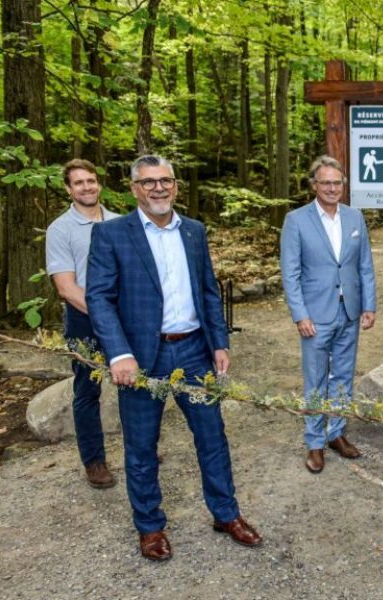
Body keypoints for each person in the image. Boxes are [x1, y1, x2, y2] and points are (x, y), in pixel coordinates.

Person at [86, 155, 261, 561]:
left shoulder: (194, 232)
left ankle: (225, 513)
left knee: (212, 437)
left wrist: (219, 343)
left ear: (176, 186)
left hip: (195, 351)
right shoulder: (112, 234)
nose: (159, 188)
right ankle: (150, 527)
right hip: (142, 357)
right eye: (149, 183)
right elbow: (99, 298)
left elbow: (208, 292)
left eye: (165, 180)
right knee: (142, 446)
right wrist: (119, 354)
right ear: (134, 189)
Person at [280, 155, 376, 474]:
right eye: (326, 182)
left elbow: (364, 266)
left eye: (337, 182)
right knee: (316, 380)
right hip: (315, 315)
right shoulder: (296, 220)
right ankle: (314, 442)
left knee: (343, 378)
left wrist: (369, 305)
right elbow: (290, 273)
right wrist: (299, 315)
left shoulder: (354, 218)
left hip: (349, 311)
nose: (332, 188)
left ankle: (336, 434)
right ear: (314, 185)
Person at [45, 159, 121, 488]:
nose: (87, 187)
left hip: (124, 317)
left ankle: (140, 446)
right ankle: (94, 461)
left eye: (91, 180)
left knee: (135, 385)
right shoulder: (60, 229)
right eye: (79, 183)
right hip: (83, 319)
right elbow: (66, 287)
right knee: (87, 390)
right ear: (68, 189)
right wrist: (103, 314)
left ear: (99, 183)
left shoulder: (121, 223)